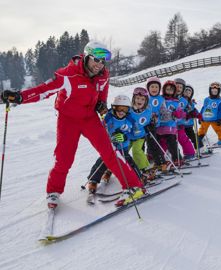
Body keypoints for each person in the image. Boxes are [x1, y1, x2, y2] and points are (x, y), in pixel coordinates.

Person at [0, 41, 144, 208]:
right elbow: (44, 90)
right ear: (87, 56)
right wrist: (20, 97)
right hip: (68, 120)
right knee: (64, 158)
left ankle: (133, 185)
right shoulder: (69, 75)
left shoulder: (103, 74)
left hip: (90, 118)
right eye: (96, 60)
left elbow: (102, 90)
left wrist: (101, 103)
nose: (99, 65)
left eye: (102, 61)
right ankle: (53, 191)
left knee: (109, 151)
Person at [87, 95, 145, 206]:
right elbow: (100, 130)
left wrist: (125, 137)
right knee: (101, 162)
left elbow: (135, 133)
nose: (122, 112)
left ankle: (139, 178)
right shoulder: (108, 117)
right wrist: (110, 136)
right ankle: (93, 180)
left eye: (125, 109)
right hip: (110, 147)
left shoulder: (130, 119)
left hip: (123, 147)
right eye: (119, 108)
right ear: (114, 107)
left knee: (127, 162)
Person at [129, 87, 156, 181]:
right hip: (127, 136)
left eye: (142, 99)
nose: (139, 101)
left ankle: (145, 169)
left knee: (136, 151)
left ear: (146, 101)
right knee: (120, 151)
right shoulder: (129, 109)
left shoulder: (148, 110)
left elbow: (149, 120)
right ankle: (110, 170)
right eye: (137, 98)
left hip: (140, 136)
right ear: (133, 99)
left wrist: (151, 124)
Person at [157, 80, 185, 166]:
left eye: (171, 89)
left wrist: (179, 114)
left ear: (174, 91)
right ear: (164, 89)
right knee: (159, 145)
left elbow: (180, 113)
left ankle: (177, 158)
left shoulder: (176, 102)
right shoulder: (160, 100)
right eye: (167, 89)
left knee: (172, 144)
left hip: (170, 127)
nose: (169, 91)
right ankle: (159, 160)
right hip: (159, 127)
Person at [145, 77, 167, 172]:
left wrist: (169, 116)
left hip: (156, 125)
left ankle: (160, 162)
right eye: (152, 87)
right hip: (145, 126)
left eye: (156, 87)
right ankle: (151, 156)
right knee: (149, 143)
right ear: (148, 88)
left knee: (154, 143)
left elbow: (164, 111)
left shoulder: (161, 99)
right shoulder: (145, 98)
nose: (154, 89)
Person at [198, 82, 221, 148]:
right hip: (205, 118)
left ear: (218, 91)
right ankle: (199, 137)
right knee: (202, 129)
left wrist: (219, 119)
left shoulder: (220, 101)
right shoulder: (206, 99)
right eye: (212, 90)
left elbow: (220, 111)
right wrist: (200, 116)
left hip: (214, 119)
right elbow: (203, 107)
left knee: (219, 129)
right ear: (210, 91)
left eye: (216, 91)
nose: (214, 92)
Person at [174, 78, 196, 160]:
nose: (178, 89)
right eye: (177, 86)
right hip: (169, 124)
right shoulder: (167, 98)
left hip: (180, 124)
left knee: (182, 138)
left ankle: (189, 153)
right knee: (169, 141)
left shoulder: (184, 100)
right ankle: (171, 156)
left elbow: (189, 109)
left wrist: (191, 113)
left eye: (180, 87)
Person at [182, 84, 199, 149]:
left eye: (189, 93)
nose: (187, 94)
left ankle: (198, 148)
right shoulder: (181, 101)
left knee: (193, 136)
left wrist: (198, 115)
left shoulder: (191, 102)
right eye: (186, 92)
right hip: (182, 124)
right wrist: (187, 115)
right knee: (183, 138)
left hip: (189, 124)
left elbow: (194, 110)